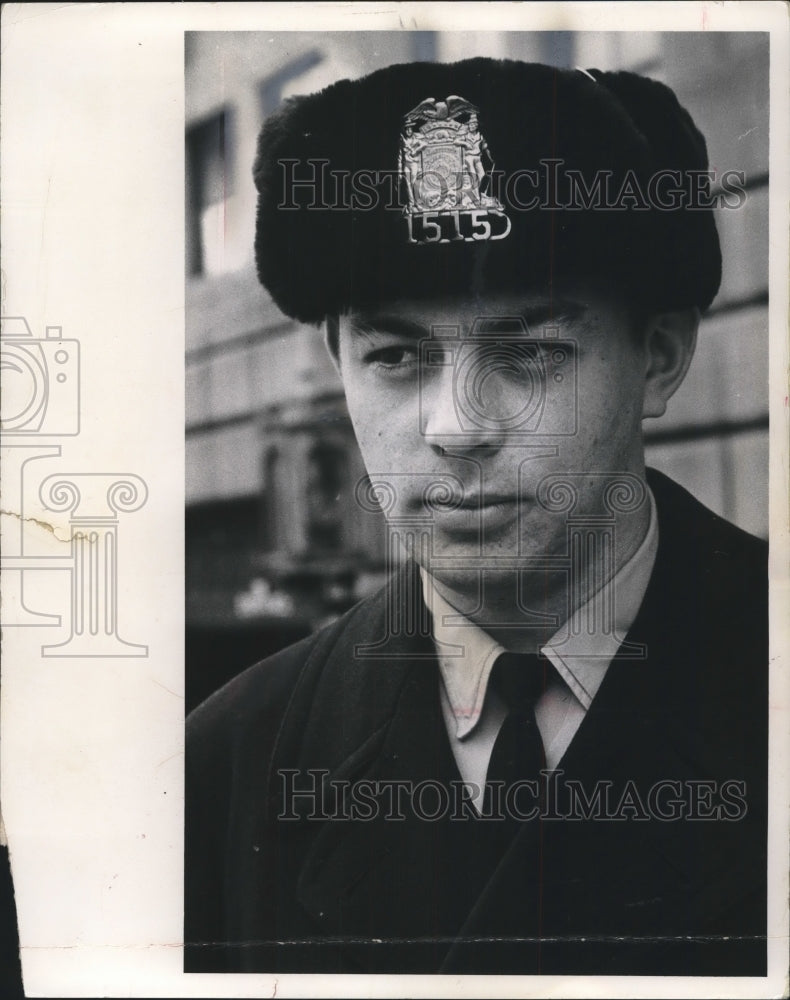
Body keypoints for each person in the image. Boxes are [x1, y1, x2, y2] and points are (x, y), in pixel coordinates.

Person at [185, 58, 767, 976]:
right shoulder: (223, 768)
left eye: (532, 353)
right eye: (396, 357)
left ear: (658, 357)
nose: (458, 426)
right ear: (337, 359)